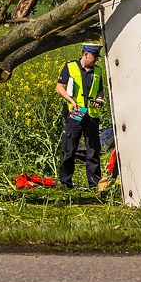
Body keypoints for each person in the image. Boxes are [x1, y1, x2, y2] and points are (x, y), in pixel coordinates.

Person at [56, 42, 106, 189]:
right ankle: (66, 182)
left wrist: (100, 99)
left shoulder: (97, 71)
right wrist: (71, 101)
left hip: (91, 114)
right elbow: (60, 88)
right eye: (94, 56)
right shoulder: (70, 67)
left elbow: (100, 91)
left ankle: (94, 184)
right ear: (86, 54)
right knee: (69, 149)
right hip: (75, 113)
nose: (96, 59)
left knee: (93, 150)